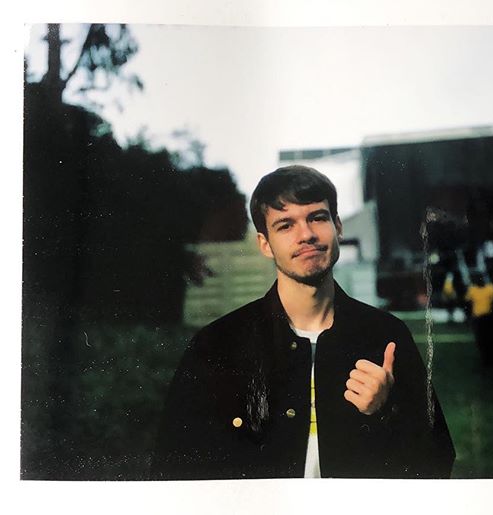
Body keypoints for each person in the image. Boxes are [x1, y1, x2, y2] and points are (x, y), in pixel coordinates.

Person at [152, 165, 455, 480]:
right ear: (265, 244)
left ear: (338, 227)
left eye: (317, 218)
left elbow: (436, 462)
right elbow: (173, 472)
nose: (306, 234)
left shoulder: (385, 337)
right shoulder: (218, 345)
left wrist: (383, 413)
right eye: (285, 225)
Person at [464, 273, 493, 366]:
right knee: (480, 339)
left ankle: (491, 357)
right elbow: (467, 302)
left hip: (488, 318)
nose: (479, 281)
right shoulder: (472, 290)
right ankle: (485, 358)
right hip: (478, 319)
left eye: (481, 279)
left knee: (488, 338)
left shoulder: (490, 288)